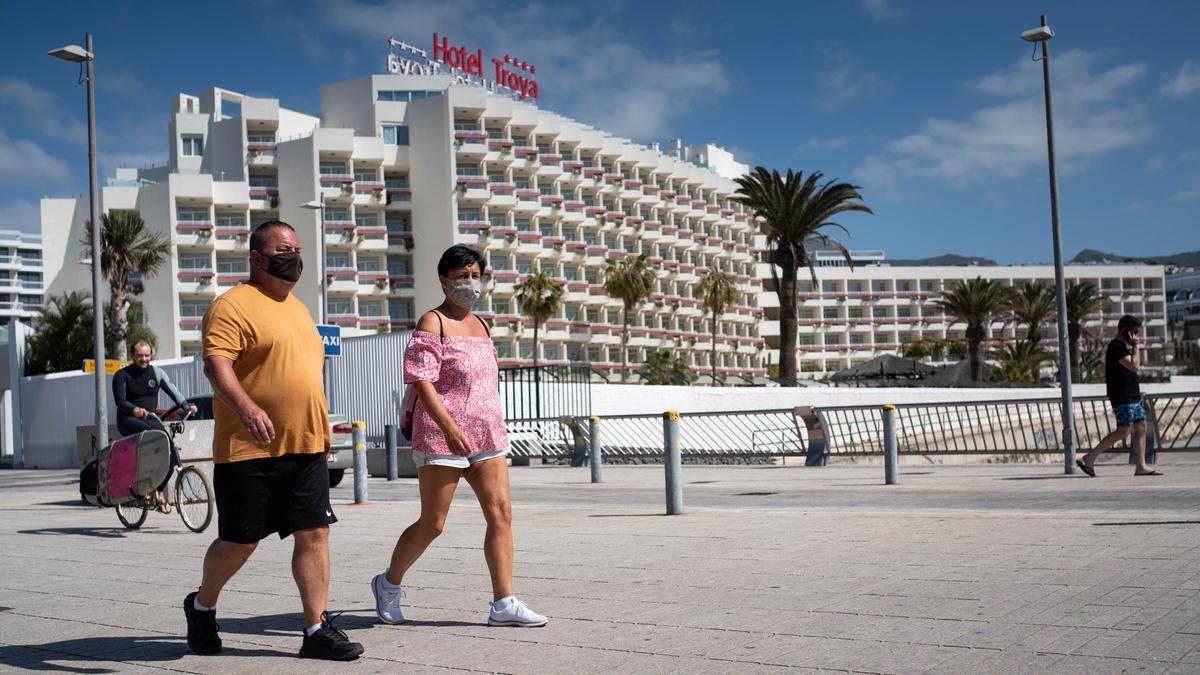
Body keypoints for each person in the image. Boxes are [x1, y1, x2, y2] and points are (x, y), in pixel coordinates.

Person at [183, 221, 363, 660]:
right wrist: (246, 408)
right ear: (257, 258)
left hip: (305, 445)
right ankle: (202, 605)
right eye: (284, 249)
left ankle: (316, 629)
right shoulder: (231, 306)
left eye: (297, 248)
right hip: (250, 448)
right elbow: (216, 367)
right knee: (239, 542)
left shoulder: (299, 309)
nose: (294, 256)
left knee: (315, 534)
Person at [371, 245, 546, 628]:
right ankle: (388, 584)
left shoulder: (482, 325)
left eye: (475, 275)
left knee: (501, 514)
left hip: (486, 433)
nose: (470, 283)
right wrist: (449, 427)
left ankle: (504, 603)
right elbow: (421, 378)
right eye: (462, 275)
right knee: (433, 523)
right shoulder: (432, 322)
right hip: (441, 434)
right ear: (444, 280)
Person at [112, 340, 197, 512]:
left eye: (146, 355)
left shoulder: (156, 373)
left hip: (150, 418)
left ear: (151, 355)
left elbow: (173, 390)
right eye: (139, 355)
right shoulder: (122, 375)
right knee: (156, 435)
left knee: (172, 451)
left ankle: (158, 490)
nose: (143, 359)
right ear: (132, 355)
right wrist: (134, 409)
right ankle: (144, 485)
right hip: (128, 420)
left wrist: (186, 405)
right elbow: (120, 401)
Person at [1077, 314, 1162, 477]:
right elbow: (1134, 366)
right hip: (1123, 396)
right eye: (1134, 332)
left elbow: (1135, 364)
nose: (1136, 336)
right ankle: (1090, 457)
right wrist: (1136, 347)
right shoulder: (1116, 347)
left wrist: (1134, 347)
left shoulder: (1124, 347)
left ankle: (1141, 466)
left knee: (1142, 426)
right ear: (1125, 330)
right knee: (1124, 431)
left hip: (1133, 395)